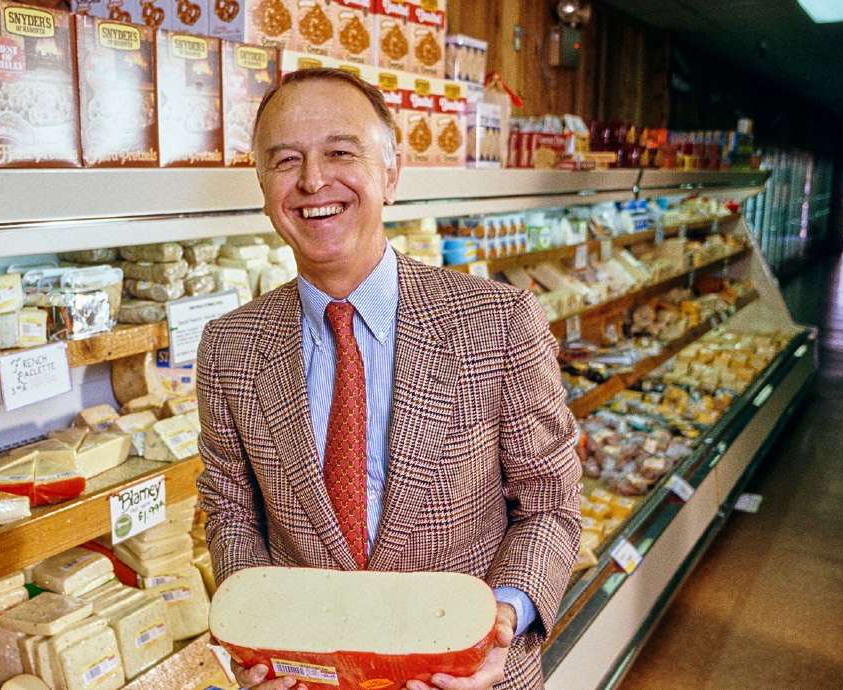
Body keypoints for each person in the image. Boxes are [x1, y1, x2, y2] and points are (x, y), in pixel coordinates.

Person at [196, 69, 581, 690]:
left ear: (391, 174)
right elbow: (230, 508)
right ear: (264, 187)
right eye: (286, 161)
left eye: (340, 153)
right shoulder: (229, 346)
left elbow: (549, 501)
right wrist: (254, 633)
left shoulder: (499, 320)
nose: (312, 181)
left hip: (466, 674)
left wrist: (502, 622)